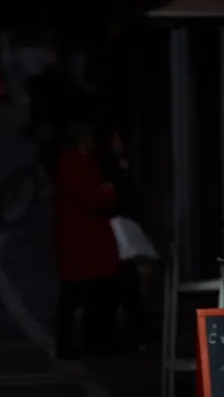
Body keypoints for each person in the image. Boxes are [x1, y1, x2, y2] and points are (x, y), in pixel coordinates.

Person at [54, 121, 120, 359]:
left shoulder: (78, 163)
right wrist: (108, 191)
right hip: (82, 240)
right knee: (78, 294)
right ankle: (74, 343)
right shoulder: (72, 164)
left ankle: (88, 341)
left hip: (86, 239)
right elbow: (92, 197)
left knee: (86, 293)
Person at [99, 127, 149, 351]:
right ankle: (133, 335)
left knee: (122, 288)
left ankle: (130, 334)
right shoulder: (110, 166)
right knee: (122, 288)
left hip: (120, 231)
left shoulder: (120, 164)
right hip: (115, 232)